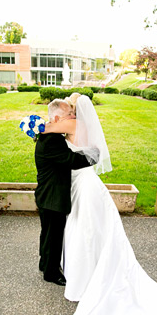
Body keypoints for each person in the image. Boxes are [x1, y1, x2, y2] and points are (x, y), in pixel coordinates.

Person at [41, 94, 157, 315]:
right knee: (84, 229)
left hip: (85, 185)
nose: (69, 112)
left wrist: (35, 124)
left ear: (75, 111)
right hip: (81, 183)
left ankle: (85, 276)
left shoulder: (73, 125)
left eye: (71, 107)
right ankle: (82, 270)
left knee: (87, 230)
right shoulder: (78, 125)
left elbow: (44, 127)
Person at [34, 99, 93, 286]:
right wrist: (95, 156)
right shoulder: (52, 141)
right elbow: (72, 160)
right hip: (53, 196)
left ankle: (45, 263)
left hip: (47, 194)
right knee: (54, 235)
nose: (73, 117)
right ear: (58, 117)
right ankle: (51, 273)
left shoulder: (52, 136)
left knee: (47, 232)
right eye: (70, 114)